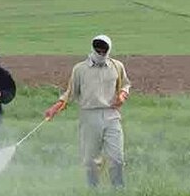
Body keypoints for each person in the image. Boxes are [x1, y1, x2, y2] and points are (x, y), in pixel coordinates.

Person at [44, 35, 131, 188]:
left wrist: (122, 96)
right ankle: (93, 190)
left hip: (112, 116)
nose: (100, 53)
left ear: (108, 50)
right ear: (93, 48)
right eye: (97, 49)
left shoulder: (117, 66)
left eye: (103, 50)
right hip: (89, 117)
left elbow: (125, 84)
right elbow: (70, 94)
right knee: (91, 160)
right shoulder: (80, 69)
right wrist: (55, 109)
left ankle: (119, 190)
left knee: (117, 158)